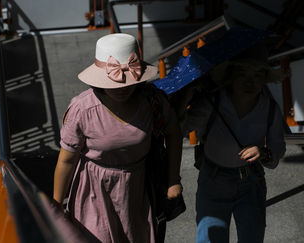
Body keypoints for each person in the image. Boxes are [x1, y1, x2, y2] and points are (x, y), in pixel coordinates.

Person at [53, 33, 183, 243]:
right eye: (114, 84)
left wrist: (173, 181)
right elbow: (67, 159)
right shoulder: (82, 109)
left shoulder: (152, 101)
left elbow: (174, 133)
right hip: (94, 190)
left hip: (138, 188)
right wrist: (57, 204)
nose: (122, 89)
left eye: (128, 82)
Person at [181, 42, 287, 243]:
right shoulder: (212, 101)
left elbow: (277, 146)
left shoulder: (269, 108)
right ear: (230, 74)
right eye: (243, 74)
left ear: (265, 79)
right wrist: (187, 97)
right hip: (213, 180)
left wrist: (263, 152)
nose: (250, 82)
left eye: (258, 75)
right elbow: (181, 129)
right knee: (210, 239)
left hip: (251, 182)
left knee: (252, 238)